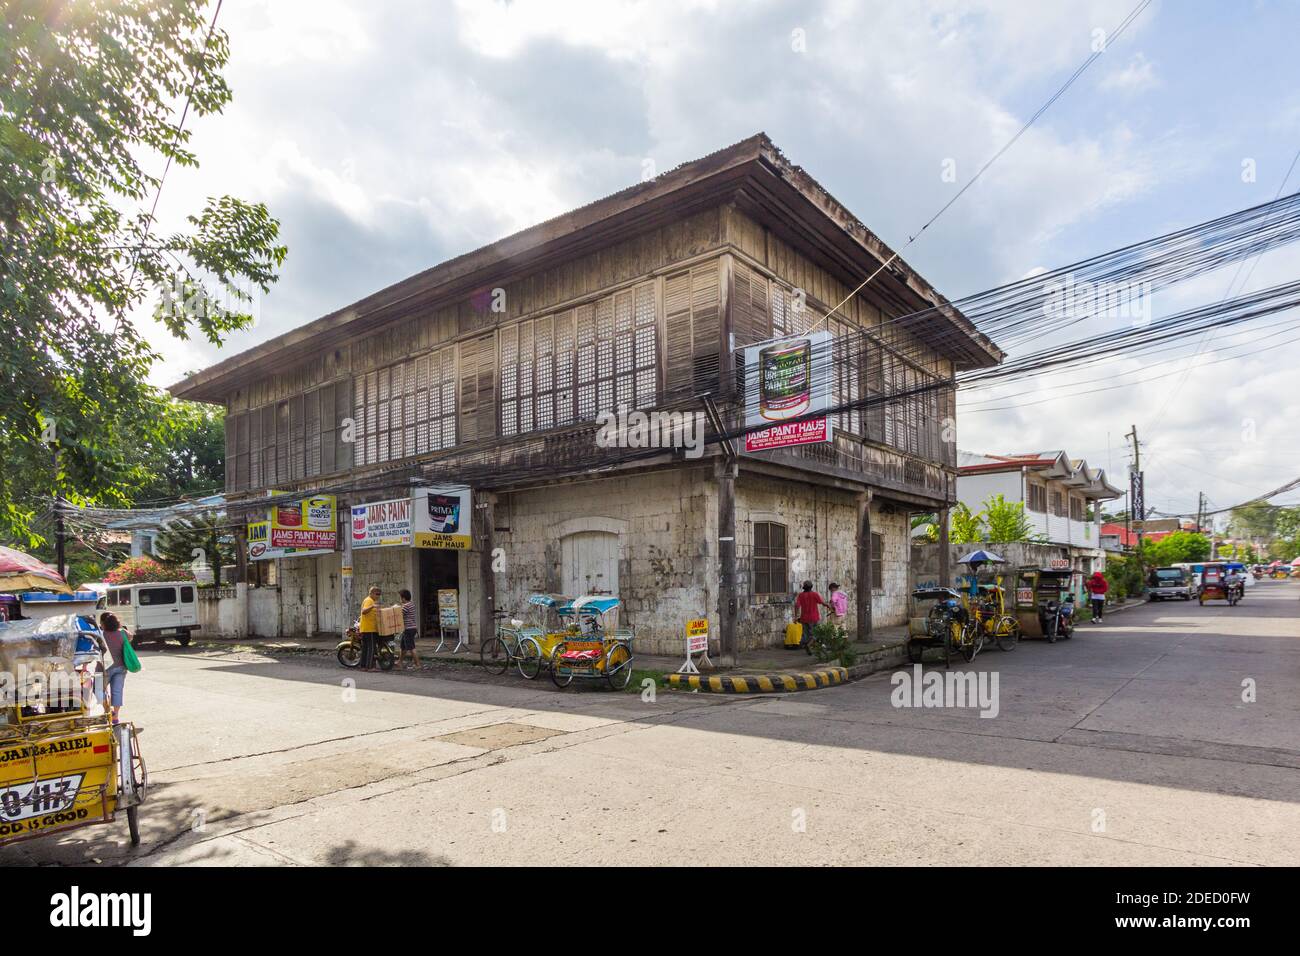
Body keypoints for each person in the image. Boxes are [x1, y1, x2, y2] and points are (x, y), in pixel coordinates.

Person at [97, 612, 130, 724]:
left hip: (104, 668)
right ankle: (115, 717)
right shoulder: (122, 633)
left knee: (98, 689)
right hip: (121, 667)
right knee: (117, 691)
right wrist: (120, 627)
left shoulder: (100, 635)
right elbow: (131, 636)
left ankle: (107, 711)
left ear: (102, 623)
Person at [793, 580, 830, 650]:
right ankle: (809, 645)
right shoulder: (814, 594)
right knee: (815, 633)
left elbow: (797, 606)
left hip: (804, 618)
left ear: (804, 587)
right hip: (814, 617)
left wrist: (795, 616)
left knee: (805, 633)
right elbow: (822, 602)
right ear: (811, 587)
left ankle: (806, 645)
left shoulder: (800, 595)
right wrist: (828, 606)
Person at [359, 586, 382, 671]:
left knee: (365, 648)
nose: (378, 596)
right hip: (369, 629)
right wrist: (372, 606)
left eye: (379, 594)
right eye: (377, 594)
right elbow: (364, 611)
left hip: (366, 628)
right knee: (371, 648)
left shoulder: (369, 600)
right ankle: (370, 667)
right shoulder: (369, 601)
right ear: (371, 593)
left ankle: (363, 666)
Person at [398, 588, 420, 669]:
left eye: (400, 597)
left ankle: (417, 664)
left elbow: (399, 615)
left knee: (411, 647)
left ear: (403, 598)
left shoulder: (406, 606)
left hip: (408, 629)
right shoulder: (411, 604)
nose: (400, 599)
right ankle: (400, 662)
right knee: (403, 646)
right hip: (411, 628)